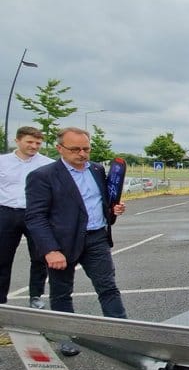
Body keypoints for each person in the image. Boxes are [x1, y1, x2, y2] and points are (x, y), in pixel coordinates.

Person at [25, 127, 128, 355]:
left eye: (86, 149)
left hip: (96, 238)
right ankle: (67, 338)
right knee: (61, 293)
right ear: (60, 148)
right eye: (75, 149)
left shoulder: (97, 170)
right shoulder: (43, 176)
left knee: (108, 288)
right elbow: (35, 217)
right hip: (62, 244)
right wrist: (50, 250)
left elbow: (102, 201)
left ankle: (124, 336)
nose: (82, 154)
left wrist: (114, 209)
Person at [0, 127, 54, 308]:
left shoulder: (48, 164)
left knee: (39, 258)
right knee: (2, 257)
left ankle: (36, 296)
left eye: (38, 143)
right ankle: (1, 300)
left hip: (36, 214)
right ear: (17, 141)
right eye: (29, 142)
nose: (34, 146)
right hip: (6, 213)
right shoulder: (2, 162)